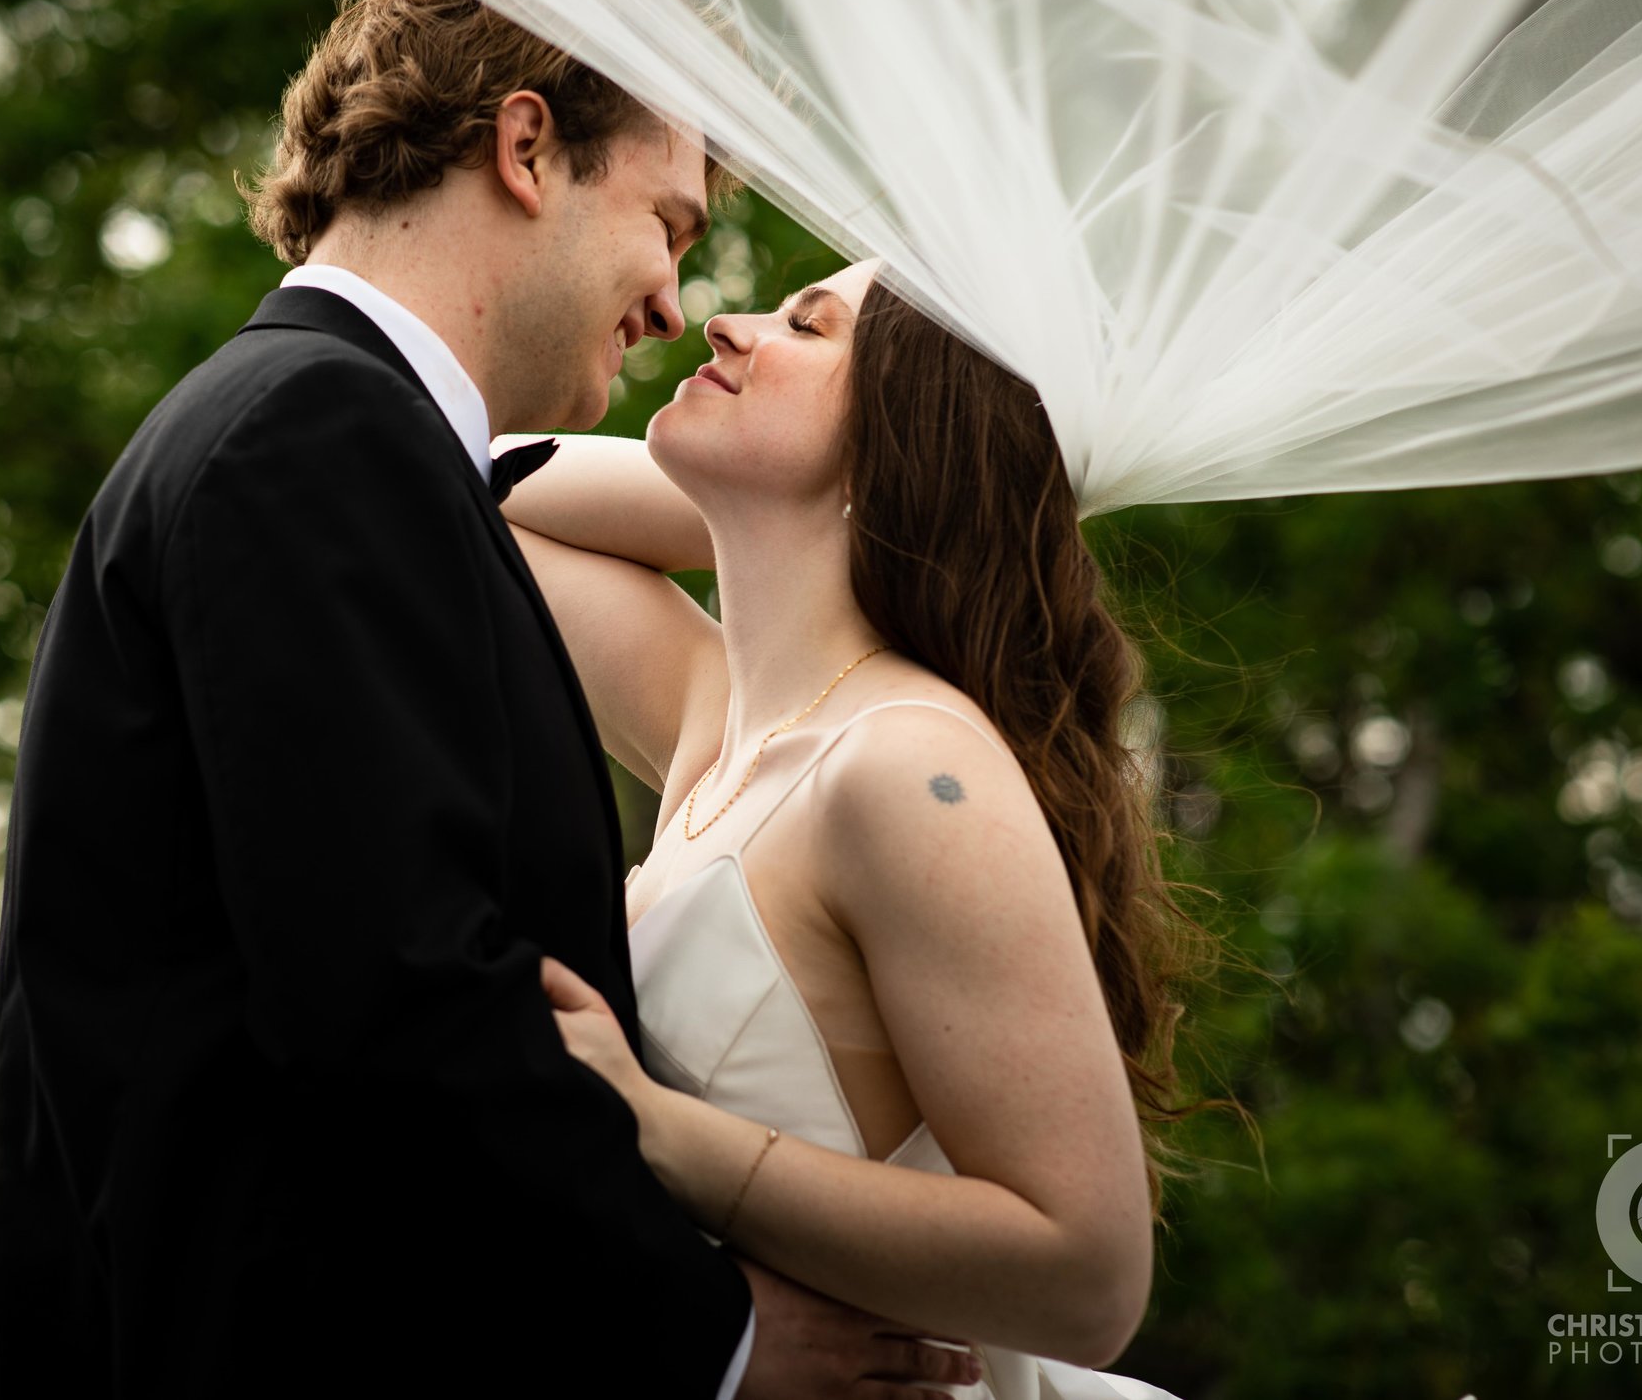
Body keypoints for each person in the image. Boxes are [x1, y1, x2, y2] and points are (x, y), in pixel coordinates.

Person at [0, 0, 987, 1398]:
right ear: (527, 146)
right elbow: (398, 999)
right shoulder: (318, 439)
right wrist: (723, 1336)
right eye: (671, 223)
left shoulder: (315, 431)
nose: (671, 301)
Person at [503, 261, 1223, 1399]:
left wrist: (654, 1131)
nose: (724, 323)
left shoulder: (907, 764)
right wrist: (761, 503)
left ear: (901, 434)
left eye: (806, 324)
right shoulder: (721, 722)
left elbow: (1090, 1277)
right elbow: (473, 490)